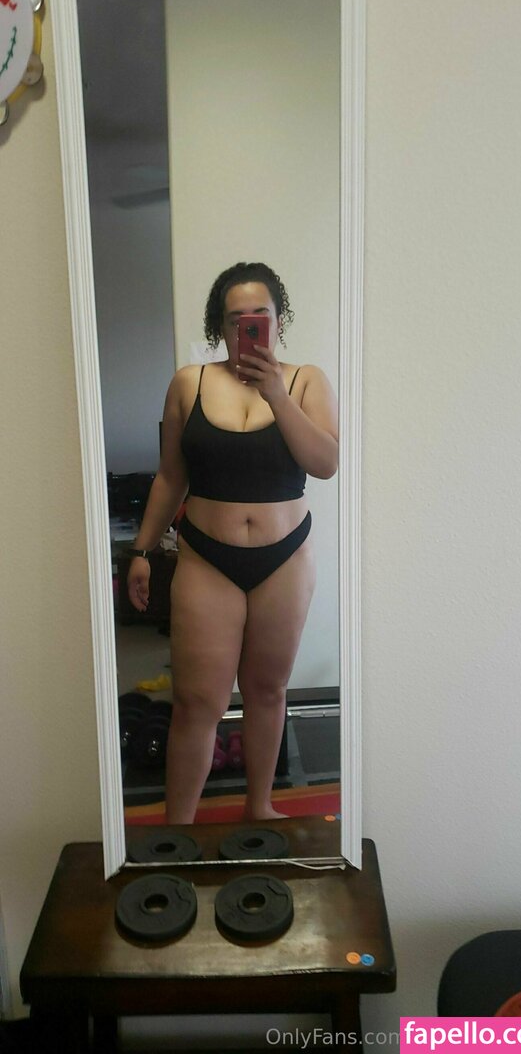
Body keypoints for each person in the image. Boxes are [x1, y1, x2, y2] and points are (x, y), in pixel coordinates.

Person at [127, 261, 338, 823]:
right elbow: (170, 477)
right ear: (220, 326)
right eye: (234, 318)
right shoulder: (189, 383)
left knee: (267, 691)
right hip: (206, 558)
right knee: (197, 701)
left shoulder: (306, 381)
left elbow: (325, 463)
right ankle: (177, 829)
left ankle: (260, 808)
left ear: (278, 320)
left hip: (285, 557)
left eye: (259, 316)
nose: (247, 327)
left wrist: (276, 395)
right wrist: (141, 551)